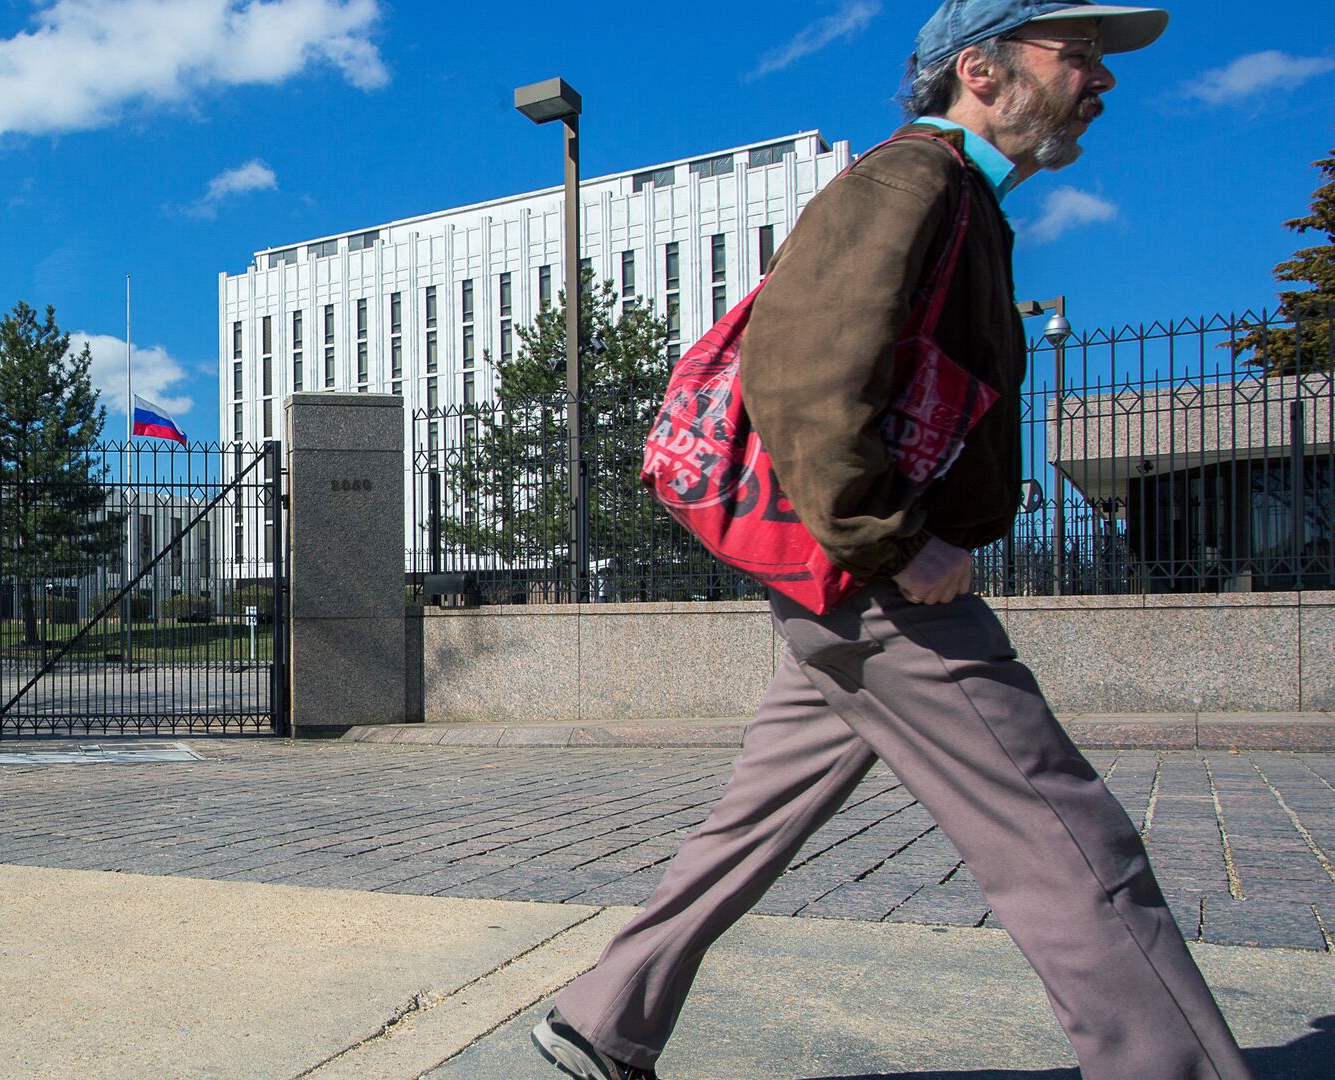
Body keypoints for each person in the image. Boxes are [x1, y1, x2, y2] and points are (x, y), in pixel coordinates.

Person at [532, 3, 1255, 1079]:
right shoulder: (912, 180)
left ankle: (603, 1014)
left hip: (854, 585)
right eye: (1078, 56)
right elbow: (803, 373)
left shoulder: (960, 198)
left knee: (755, 818)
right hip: (883, 586)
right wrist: (891, 542)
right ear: (982, 69)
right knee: (1066, 839)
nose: (1101, 79)